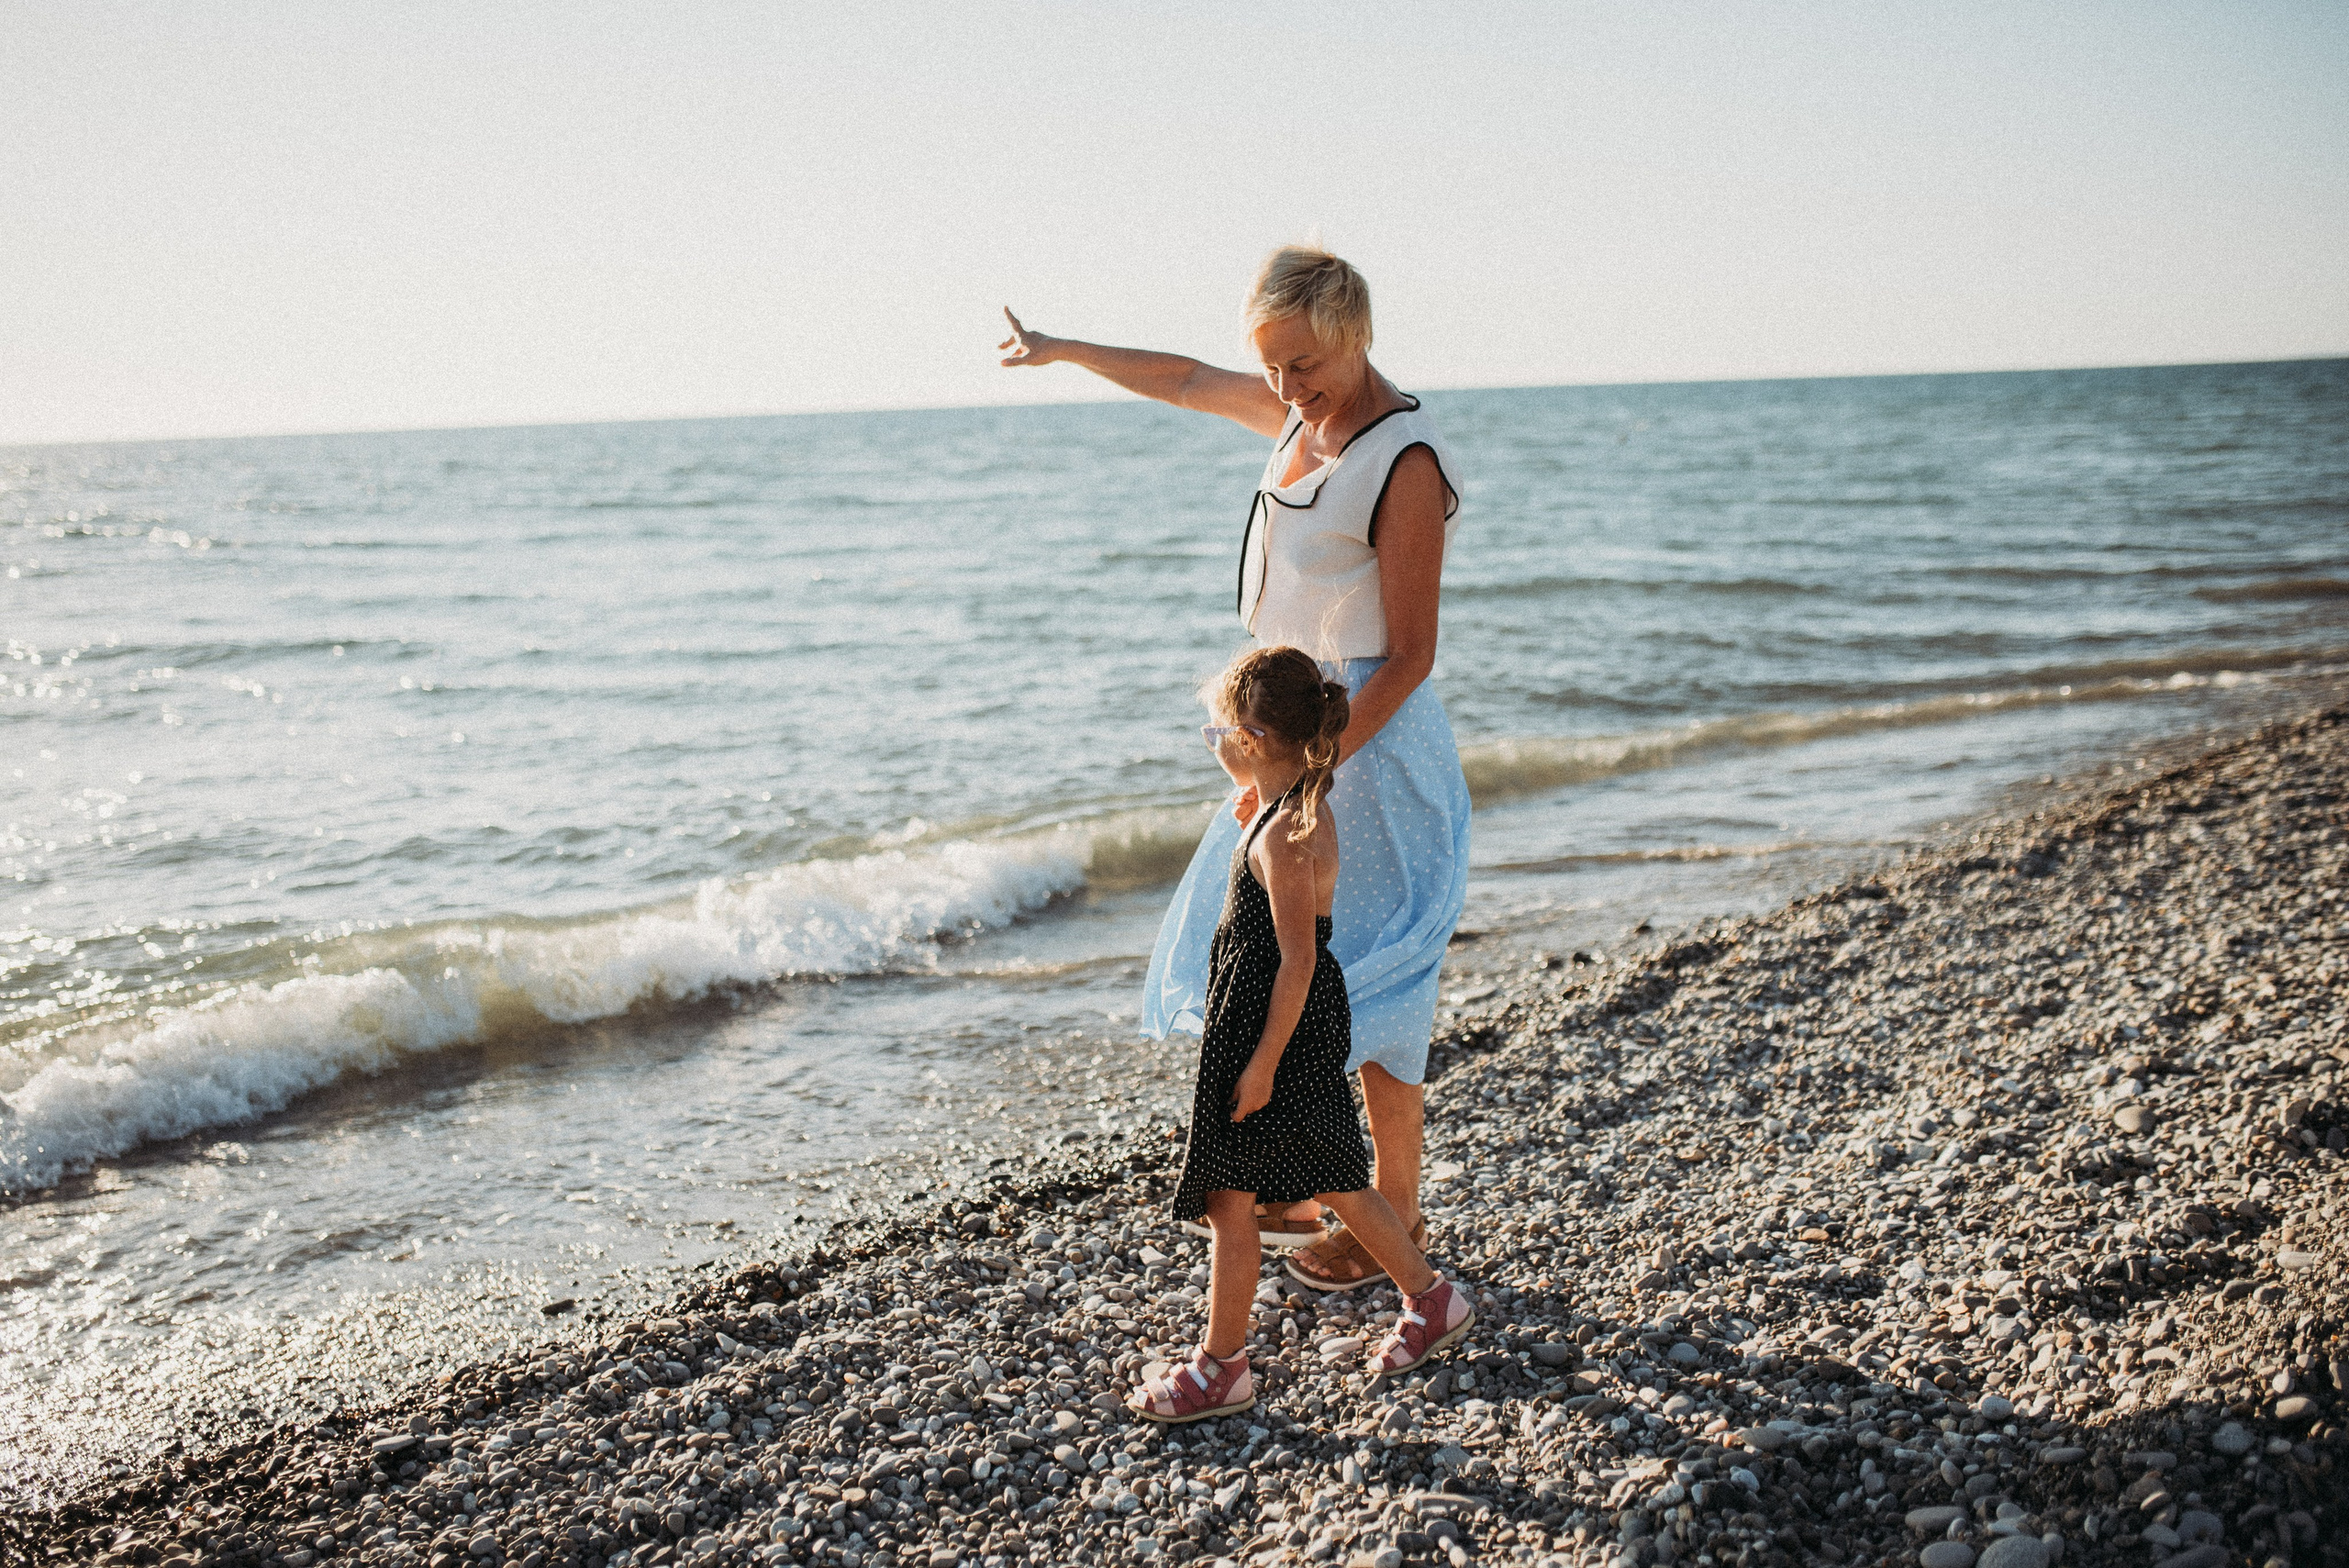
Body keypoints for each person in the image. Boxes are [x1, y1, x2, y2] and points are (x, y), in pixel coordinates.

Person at [1000, 245, 1468, 1291]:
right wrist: (1062, 348)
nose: (1282, 389)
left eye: (1302, 365)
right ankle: (1305, 1188)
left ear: (1353, 334)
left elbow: (1411, 654)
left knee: (1378, 999)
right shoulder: (1301, 420)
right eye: (1269, 368)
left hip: (1367, 752)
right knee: (1268, 971)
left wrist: (1314, 770)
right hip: (1288, 744)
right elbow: (1179, 380)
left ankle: (1394, 1216)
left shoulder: (1404, 459)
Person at [1127, 648, 1473, 1423]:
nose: (1213, 742)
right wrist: (1250, 775)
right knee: (1332, 1181)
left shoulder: (1286, 838)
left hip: (1273, 1038)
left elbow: (1297, 962)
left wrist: (1260, 1067)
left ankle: (1223, 1367)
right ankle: (1430, 1298)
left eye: (1218, 731)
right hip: (1284, 1034)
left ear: (1251, 738)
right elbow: (1259, 793)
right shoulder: (1290, 809)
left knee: (1235, 1197)